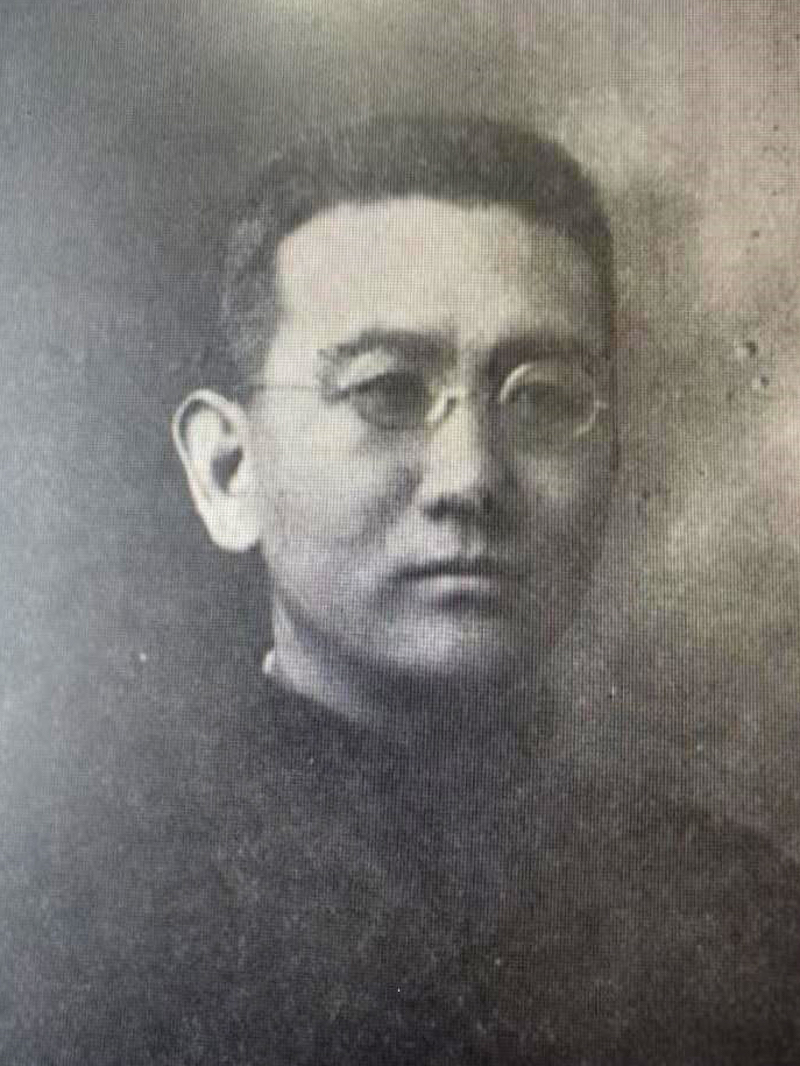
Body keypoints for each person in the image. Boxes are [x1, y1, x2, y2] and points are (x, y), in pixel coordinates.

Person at [9, 117, 798, 1065]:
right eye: (386, 393)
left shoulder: (745, 921)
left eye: (543, 399)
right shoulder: (66, 930)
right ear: (228, 472)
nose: (472, 478)